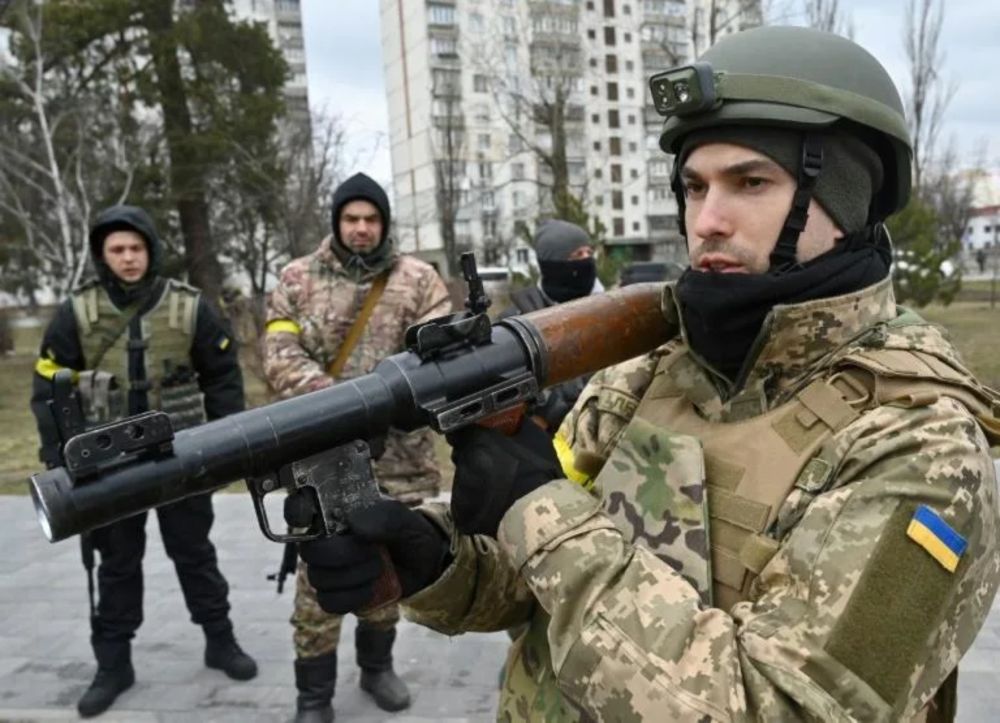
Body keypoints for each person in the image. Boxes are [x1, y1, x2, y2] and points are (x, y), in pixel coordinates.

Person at [295, 27, 1000, 722]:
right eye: (694, 187)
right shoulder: (649, 374)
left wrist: (537, 509)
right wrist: (438, 564)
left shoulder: (920, 445)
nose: (708, 221)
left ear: (848, 198)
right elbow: (539, 585)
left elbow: (778, 707)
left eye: (751, 182)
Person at [30, 205, 257, 718]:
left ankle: (220, 640)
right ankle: (114, 665)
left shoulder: (190, 308)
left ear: (151, 250)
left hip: (181, 459)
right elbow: (48, 389)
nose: (128, 258)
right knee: (115, 565)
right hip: (106, 467)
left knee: (195, 553)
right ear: (102, 255)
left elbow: (223, 378)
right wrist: (59, 458)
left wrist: (226, 447)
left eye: (136, 248)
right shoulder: (77, 313)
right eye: (117, 249)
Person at [263, 172, 451, 722]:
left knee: (385, 572)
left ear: (384, 224)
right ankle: (313, 696)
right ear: (337, 222)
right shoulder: (297, 279)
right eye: (352, 218)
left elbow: (439, 360)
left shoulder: (419, 280)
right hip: (321, 460)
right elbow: (279, 355)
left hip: (401, 460)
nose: (362, 228)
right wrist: (344, 407)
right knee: (317, 583)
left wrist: (386, 408)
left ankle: (376, 668)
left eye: (371, 219)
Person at [499, 219, 603, 434]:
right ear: (553, 265)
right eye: (577, 255)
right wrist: (550, 408)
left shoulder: (611, 307)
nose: (586, 260)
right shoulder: (519, 322)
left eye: (589, 252)